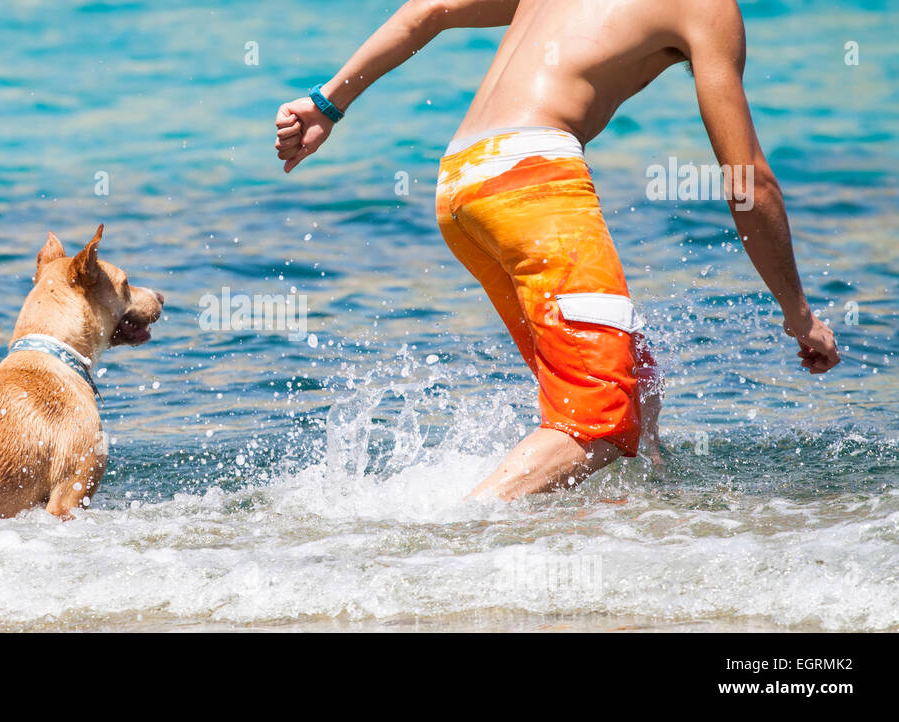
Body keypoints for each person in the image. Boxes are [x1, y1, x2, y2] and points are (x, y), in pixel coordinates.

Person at [274, 0, 839, 501]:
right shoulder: (707, 8)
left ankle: (629, 537)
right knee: (600, 422)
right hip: (533, 180)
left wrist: (327, 103)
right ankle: (453, 540)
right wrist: (799, 314)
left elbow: (429, 9)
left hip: (462, 183)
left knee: (635, 387)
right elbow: (748, 182)